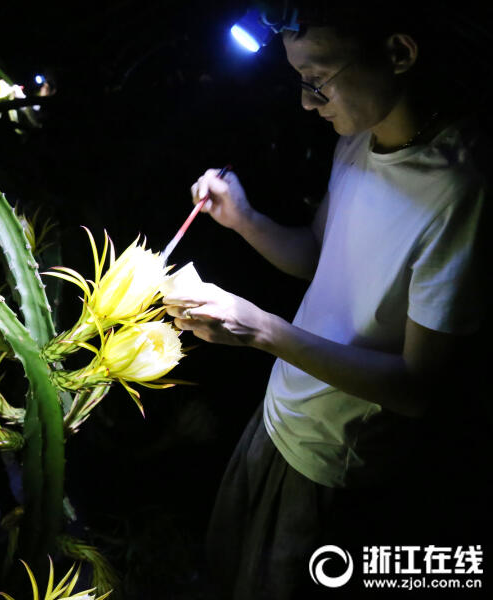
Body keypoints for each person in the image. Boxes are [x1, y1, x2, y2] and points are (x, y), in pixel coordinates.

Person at [163, 2, 490, 599]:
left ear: (398, 53)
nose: (307, 103)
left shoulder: (459, 192)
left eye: (318, 81)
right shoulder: (358, 140)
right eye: (300, 82)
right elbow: (320, 256)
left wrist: (263, 330)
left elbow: (418, 389)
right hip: (278, 415)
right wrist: (246, 220)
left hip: (334, 462)